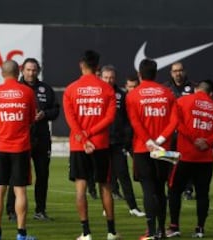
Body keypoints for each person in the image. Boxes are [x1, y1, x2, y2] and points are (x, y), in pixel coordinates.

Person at [63, 50, 120, 240]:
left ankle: (86, 233)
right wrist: (90, 135)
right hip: (101, 144)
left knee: (81, 188)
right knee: (105, 187)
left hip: (79, 145)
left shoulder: (71, 89)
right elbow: (110, 118)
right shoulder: (107, 89)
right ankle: (111, 232)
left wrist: (83, 137)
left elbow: (71, 120)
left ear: (81, 64)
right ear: (97, 67)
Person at [126, 59, 178, 240]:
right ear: (156, 74)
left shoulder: (132, 95)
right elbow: (174, 121)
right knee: (160, 190)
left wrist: (149, 141)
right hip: (164, 149)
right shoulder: (168, 93)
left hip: (142, 148)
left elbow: (135, 122)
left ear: (140, 75)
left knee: (148, 190)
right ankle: (162, 231)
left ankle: (151, 231)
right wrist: (160, 140)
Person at [166, 79, 213, 238]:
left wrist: (193, 139)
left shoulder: (183, 101)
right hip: (205, 159)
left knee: (174, 191)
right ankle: (200, 229)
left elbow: (177, 123)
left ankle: (174, 226)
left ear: (196, 89)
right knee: (203, 194)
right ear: (211, 93)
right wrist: (207, 141)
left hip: (185, 156)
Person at [5, 58, 60, 221]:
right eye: (28, 70)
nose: (31, 73)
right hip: (22, 138)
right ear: (22, 70)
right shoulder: (17, 88)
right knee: (17, 175)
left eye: (34, 70)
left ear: (39, 71)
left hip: (42, 138)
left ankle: (40, 210)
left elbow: (56, 110)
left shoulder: (46, 89)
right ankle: (12, 211)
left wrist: (45, 114)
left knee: (42, 175)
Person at [0, 60, 36, 240]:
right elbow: (31, 118)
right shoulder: (27, 92)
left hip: (0, 147)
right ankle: (21, 234)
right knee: (20, 191)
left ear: (2, 73)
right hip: (20, 147)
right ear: (19, 73)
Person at [101, 65, 145, 217]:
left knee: (124, 175)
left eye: (111, 77)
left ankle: (133, 207)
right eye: (106, 77)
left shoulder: (122, 95)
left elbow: (128, 120)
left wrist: (126, 140)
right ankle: (106, 207)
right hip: (100, 142)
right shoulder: (95, 93)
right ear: (101, 77)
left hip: (117, 143)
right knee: (102, 177)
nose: (109, 80)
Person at [164, 62, 195, 200]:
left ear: (184, 71)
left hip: (186, 132)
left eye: (180, 70)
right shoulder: (165, 88)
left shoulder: (193, 87)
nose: (178, 73)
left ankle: (188, 189)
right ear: (171, 73)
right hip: (170, 132)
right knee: (170, 160)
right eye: (175, 71)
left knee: (187, 161)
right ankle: (171, 188)